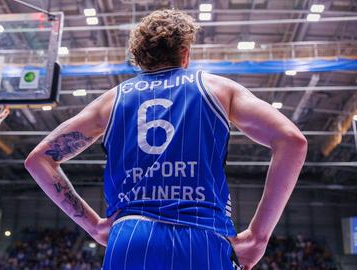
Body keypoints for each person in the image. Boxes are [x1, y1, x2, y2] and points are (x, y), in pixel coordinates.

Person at [25, 9, 307, 270]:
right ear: (185, 54)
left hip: (129, 237)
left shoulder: (110, 101)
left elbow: (39, 160)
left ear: (138, 57)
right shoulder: (218, 89)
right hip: (202, 234)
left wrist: (94, 226)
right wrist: (259, 236)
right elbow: (292, 141)